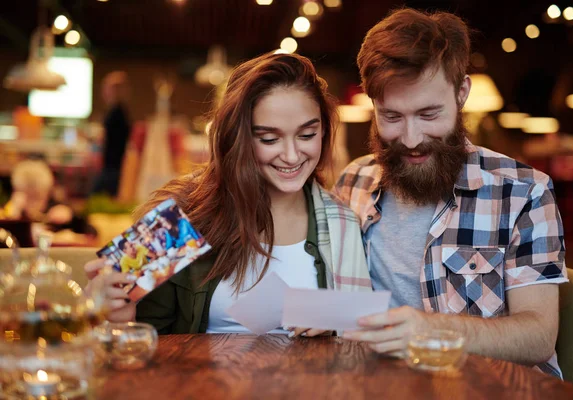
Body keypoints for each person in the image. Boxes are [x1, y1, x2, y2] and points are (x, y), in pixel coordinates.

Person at [334, 8, 568, 377]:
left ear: (461, 93)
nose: (410, 140)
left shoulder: (524, 192)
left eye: (429, 114)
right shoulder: (353, 182)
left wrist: (432, 330)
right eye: (391, 117)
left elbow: (538, 337)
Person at [84, 53, 372, 336]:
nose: (291, 155)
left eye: (307, 135)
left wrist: (336, 317)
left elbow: (366, 325)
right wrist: (114, 317)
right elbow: (117, 328)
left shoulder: (342, 221)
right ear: (237, 137)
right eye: (269, 139)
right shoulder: (180, 215)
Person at [92, 71, 131, 196]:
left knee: (96, 197)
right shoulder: (117, 111)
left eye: (107, 87)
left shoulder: (117, 113)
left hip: (113, 167)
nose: (104, 92)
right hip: (113, 166)